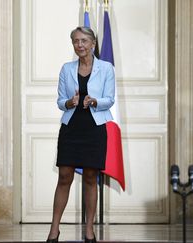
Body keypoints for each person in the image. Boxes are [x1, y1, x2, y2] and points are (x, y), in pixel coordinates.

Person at [46, 26, 115, 243]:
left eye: (84, 41)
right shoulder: (66, 69)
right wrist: (70, 102)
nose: (80, 45)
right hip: (71, 128)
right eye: (76, 41)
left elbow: (110, 99)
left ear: (93, 43)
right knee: (64, 176)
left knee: (90, 178)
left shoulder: (106, 68)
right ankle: (54, 230)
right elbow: (59, 102)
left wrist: (94, 101)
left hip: (94, 128)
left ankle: (89, 230)